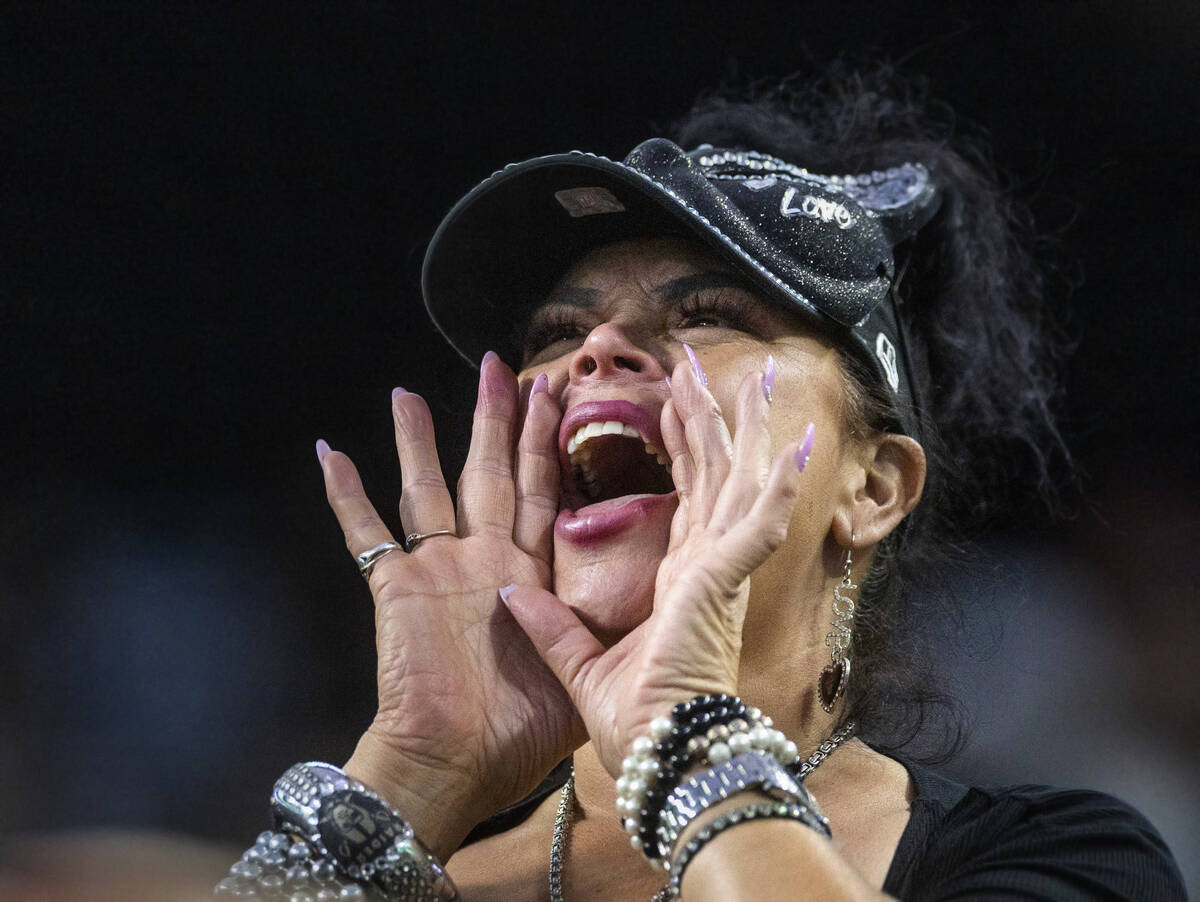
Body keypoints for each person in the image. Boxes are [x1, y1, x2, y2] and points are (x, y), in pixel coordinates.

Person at [215, 67, 1186, 900]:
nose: (596, 350)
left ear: (875, 486)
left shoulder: (1064, 857)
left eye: (710, 315)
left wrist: (683, 732)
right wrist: (408, 774)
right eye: (556, 335)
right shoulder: (428, 869)